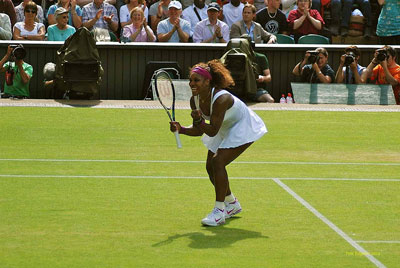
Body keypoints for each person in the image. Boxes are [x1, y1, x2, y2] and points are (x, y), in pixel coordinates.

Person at [169, 59, 267, 226]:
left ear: (208, 81)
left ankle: (219, 211)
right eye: (190, 80)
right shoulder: (195, 100)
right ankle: (232, 204)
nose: (192, 83)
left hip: (243, 125)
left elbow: (212, 130)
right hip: (223, 126)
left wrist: (199, 120)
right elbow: (200, 129)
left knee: (218, 161)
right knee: (210, 166)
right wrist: (182, 129)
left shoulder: (222, 99)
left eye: (196, 80)